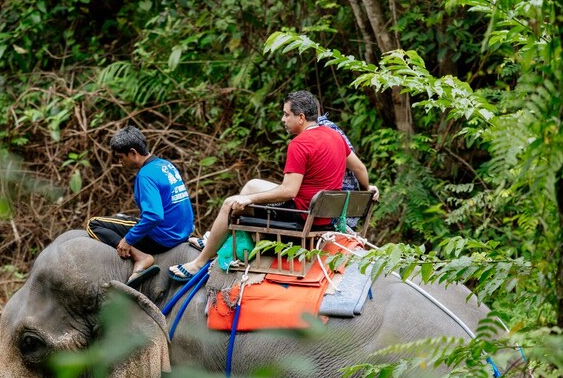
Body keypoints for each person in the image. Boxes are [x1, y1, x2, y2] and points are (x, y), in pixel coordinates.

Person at [168, 90, 376, 282]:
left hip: (302, 217)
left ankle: (198, 262)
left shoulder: (300, 144)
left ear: (301, 117)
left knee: (230, 204)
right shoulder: (335, 136)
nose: (283, 119)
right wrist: (368, 190)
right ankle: (216, 238)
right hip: (324, 215)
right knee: (252, 185)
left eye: (286, 115)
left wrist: (249, 199)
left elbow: (288, 191)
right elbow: (360, 168)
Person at [87, 126, 194, 287]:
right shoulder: (165, 165)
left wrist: (128, 240)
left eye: (121, 157)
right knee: (122, 219)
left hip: (163, 238)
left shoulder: (146, 175)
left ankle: (140, 257)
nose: (120, 163)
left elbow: (154, 215)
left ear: (133, 152)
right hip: (181, 233)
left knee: (93, 223)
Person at [317, 109, 378, 227]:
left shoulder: (326, 131)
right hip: (340, 204)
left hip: (334, 210)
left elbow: (358, 168)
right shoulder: (326, 129)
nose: (283, 119)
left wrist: (366, 191)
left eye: (287, 114)